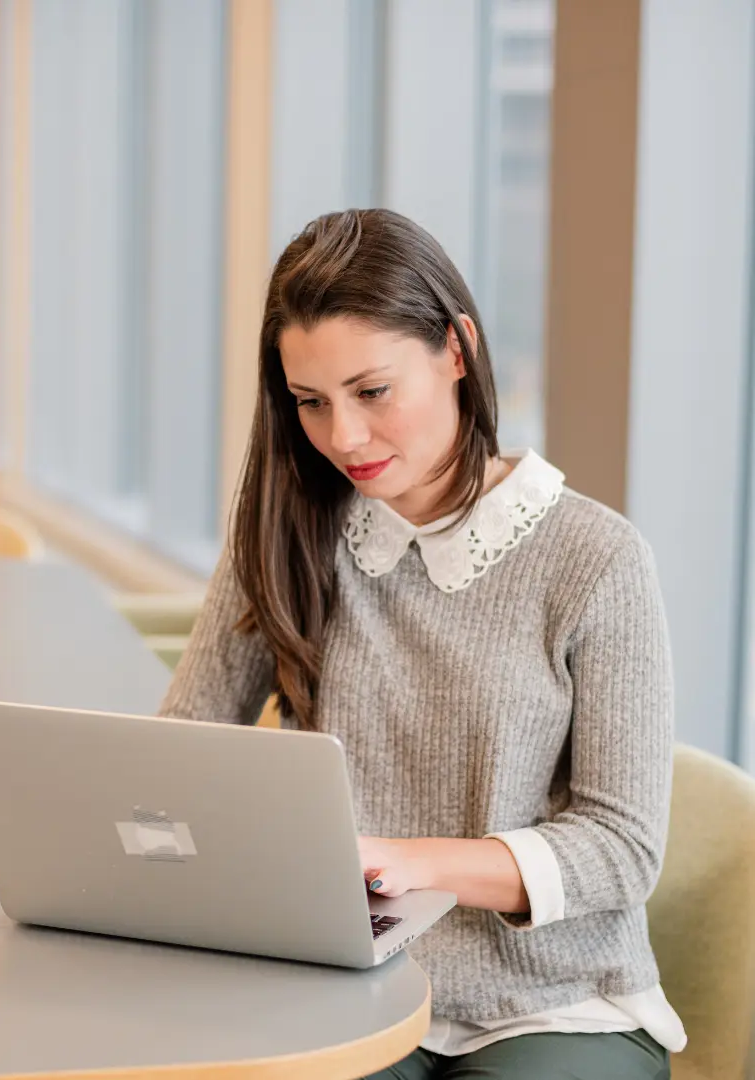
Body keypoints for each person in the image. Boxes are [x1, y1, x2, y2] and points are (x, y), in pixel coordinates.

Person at [158, 209, 686, 1079]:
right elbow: (182, 754)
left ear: (456, 349)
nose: (344, 438)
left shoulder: (596, 560)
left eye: (372, 392)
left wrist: (406, 864)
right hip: (342, 980)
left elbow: (623, 848)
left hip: (550, 998)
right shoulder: (287, 534)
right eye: (311, 404)